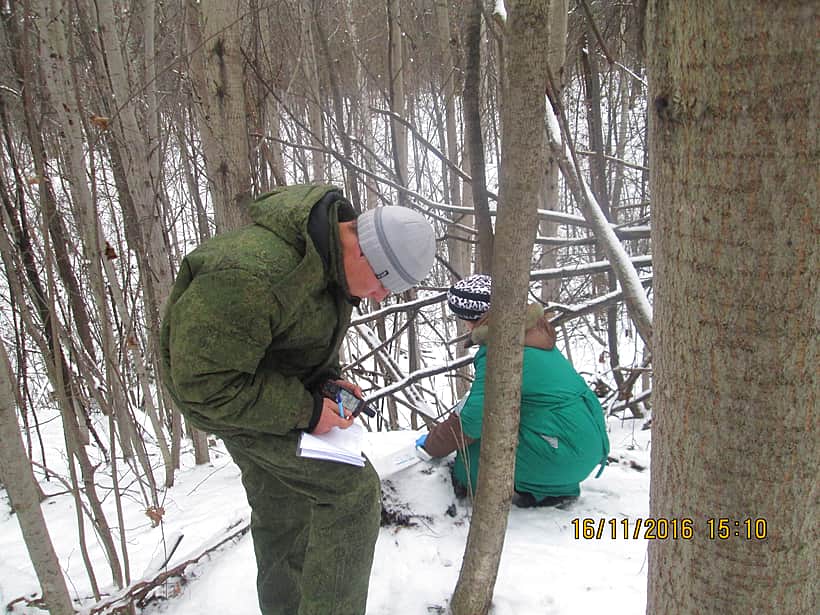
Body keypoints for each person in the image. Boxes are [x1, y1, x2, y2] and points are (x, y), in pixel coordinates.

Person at [159, 184, 436, 615]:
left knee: (282, 506)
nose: (381, 298)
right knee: (352, 492)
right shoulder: (251, 275)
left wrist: (328, 383)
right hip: (224, 398)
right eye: (385, 287)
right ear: (364, 253)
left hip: (262, 382)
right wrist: (307, 412)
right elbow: (206, 386)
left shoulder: (330, 263)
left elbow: (294, 339)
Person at [418, 274, 610, 508]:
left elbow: (471, 423)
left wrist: (430, 445)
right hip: (587, 444)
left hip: (564, 453)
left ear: (470, 319)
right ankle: (552, 487)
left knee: (472, 456)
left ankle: (539, 487)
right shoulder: (531, 335)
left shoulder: (503, 352)